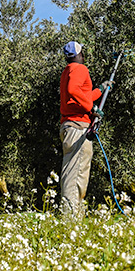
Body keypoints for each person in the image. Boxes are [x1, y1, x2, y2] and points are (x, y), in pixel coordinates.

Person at [58, 41, 109, 217]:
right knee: (76, 175)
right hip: (78, 128)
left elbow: (81, 96)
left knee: (71, 172)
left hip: (69, 127)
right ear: (79, 55)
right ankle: (71, 220)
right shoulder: (80, 69)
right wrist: (93, 109)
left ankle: (70, 216)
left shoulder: (67, 72)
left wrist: (101, 89)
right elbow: (75, 91)